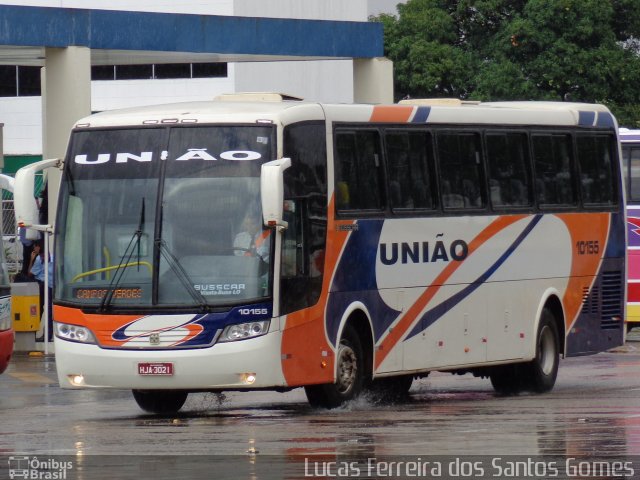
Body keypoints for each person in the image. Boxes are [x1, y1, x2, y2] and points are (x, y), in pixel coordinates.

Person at [29, 240, 53, 342]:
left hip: (42, 285)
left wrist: (31, 259)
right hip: (52, 286)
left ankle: (32, 333)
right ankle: (48, 334)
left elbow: (30, 273)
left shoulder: (39, 258)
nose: (34, 249)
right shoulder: (52, 257)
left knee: (37, 309)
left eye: (35, 247)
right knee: (49, 310)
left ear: (39, 247)